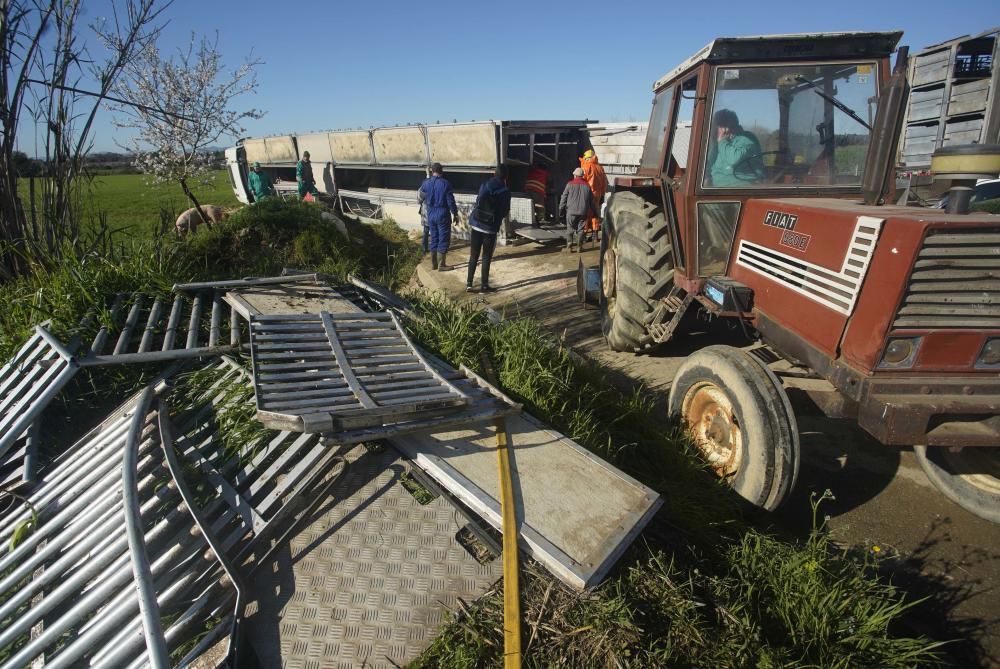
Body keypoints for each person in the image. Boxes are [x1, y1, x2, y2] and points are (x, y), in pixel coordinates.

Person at [466, 165, 511, 293]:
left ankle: (469, 284)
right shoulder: (505, 191)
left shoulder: (485, 184)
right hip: (490, 228)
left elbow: (478, 200)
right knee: (486, 257)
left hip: (476, 223)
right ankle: (484, 286)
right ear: (506, 177)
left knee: (473, 255)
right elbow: (504, 212)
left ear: (494, 173)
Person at [707, 109, 764, 187]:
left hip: (740, 188)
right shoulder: (719, 143)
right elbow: (709, 167)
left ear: (725, 128)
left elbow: (734, 159)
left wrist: (722, 142)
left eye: (717, 126)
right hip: (716, 188)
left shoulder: (746, 139)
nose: (713, 129)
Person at [417, 162, 459, 270]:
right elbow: (450, 201)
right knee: (443, 238)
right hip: (442, 214)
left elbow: (420, 197)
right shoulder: (445, 183)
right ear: (442, 171)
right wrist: (455, 213)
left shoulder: (425, 183)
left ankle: (434, 264)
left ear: (432, 171)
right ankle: (442, 265)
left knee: (434, 238)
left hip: (430, 214)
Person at [558, 167, 596, 253]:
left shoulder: (569, 184)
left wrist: (561, 210)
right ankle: (579, 247)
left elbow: (563, 198)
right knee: (581, 229)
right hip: (583, 212)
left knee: (570, 228)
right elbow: (592, 201)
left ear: (575, 175)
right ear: (582, 176)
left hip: (571, 211)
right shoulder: (587, 186)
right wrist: (595, 212)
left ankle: (569, 247)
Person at [579, 149, 607, 236]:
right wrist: (602, 194)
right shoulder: (600, 168)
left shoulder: (586, 166)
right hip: (597, 194)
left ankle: (584, 232)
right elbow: (604, 183)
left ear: (587, 158)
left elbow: (581, 180)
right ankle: (595, 233)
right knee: (595, 213)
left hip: (587, 193)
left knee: (585, 213)